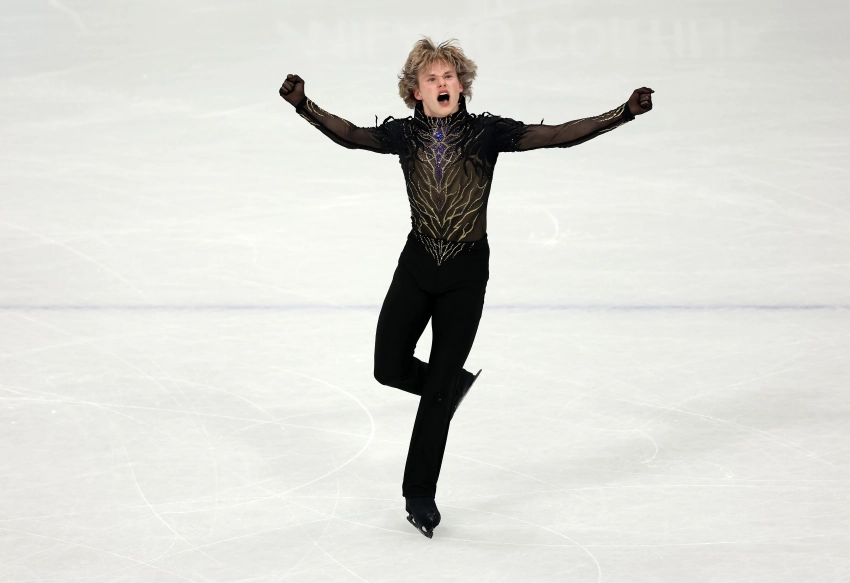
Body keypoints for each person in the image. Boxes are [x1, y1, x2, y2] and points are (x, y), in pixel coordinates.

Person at [279, 37, 654, 538]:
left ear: (462, 85)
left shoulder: (486, 133)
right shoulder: (404, 136)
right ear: (415, 91)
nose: (442, 83)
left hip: (465, 275)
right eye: (431, 78)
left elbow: (558, 135)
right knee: (388, 368)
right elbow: (351, 136)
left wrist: (623, 113)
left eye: (449, 76)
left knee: (435, 395)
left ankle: (419, 494)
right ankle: (450, 384)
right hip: (417, 265)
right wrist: (303, 105)